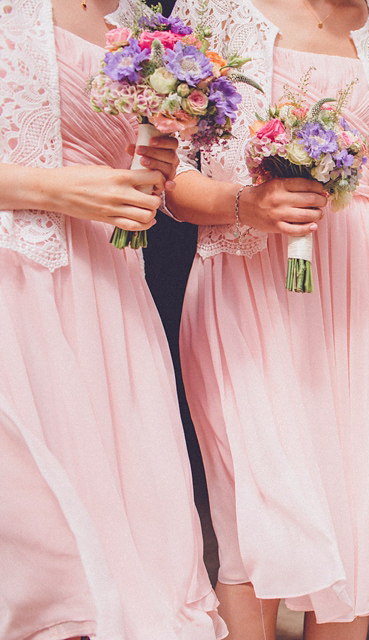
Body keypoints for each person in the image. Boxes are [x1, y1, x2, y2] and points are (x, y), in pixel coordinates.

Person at [165, 0, 369, 637]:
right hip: (242, 291)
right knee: (253, 513)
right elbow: (166, 180)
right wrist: (245, 204)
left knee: (353, 517)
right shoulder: (215, 12)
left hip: (353, 306)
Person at [0, 0, 223, 637]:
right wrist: (56, 189)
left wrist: (156, 166)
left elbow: (158, 181)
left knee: (136, 552)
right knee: (38, 550)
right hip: (13, 292)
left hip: (106, 303)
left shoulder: (144, 24)